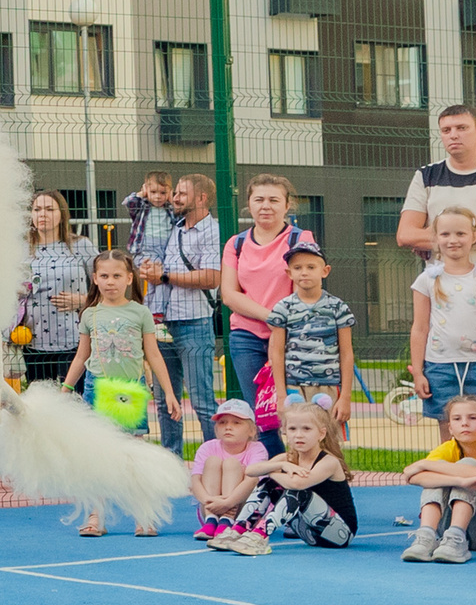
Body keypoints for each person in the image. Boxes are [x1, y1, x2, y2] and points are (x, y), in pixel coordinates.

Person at [63, 250, 180, 536]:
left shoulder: (140, 313)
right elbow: (81, 356)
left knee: (133, 455)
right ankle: (95, 515)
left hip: (130, 391)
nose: (110, 281)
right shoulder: (90, 314)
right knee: (98, 454)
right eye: (104, 276)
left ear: (129, 278)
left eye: (117, 276)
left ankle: (144, 514)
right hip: (98, 388)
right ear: (95, 279)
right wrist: (66, 388)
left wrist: (169, 392)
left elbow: (153, 355)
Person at [218, 175, 312, 456]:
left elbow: (304, 288)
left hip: (291, 338)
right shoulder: (236, 244)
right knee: (264, 416)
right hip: (246, 336)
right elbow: (230, 294)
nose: (266, 206)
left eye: (274, 200)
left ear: (287, 205)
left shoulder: (299, 238)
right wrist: (270, 315)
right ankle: (277, 480)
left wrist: (281, 324)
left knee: (297, 413)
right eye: (259, 199)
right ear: (249, 204)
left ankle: (304, 475)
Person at [397, 102, 476, 284]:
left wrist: (434, 240)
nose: (454, 135)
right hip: (442, 292)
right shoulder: (426, 175)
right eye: (446, 130)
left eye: (462, 128)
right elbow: (405, 235)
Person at [409, 209, 476, 429]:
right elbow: (419, 328)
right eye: (445, 234)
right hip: (439, 366)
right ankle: (453, 466)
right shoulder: (426, 280)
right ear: (435, 238)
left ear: (474, 236)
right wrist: (418, 372)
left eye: (460, 234)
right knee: (449, 429)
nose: (453, 240)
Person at [144, 175, 221, 457]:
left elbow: (211, 277)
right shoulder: (172, 228)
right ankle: (171, 462)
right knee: (166, 400)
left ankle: (215, 460)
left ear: (201, 199)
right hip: (162, 322)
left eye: (180, 193)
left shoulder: (213, 231)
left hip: (194, 323)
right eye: (174, 192)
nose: (174, 198)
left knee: (202, 400)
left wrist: (163, 276)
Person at [218, 401, 354, 555]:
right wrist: (281, 465)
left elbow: (297, 484)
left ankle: (259, 536)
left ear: (321, 434)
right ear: (284, 432)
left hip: (339, 534)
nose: (299, 435)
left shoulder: (329, 462)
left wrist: (275, 470)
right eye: (292, 429)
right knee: (268, 484)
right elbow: (251, 470)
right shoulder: (287, 458)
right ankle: (237, 530)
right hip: (308, 533)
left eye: (307, 429)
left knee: (297, 491)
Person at [263, 239, 354, 434]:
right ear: (289, 273)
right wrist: (281, 395)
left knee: (328, 440)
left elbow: (347, 354)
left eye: (311, 267)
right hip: (294, 387)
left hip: (328, 387)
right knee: (298, 440)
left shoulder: (338, 307)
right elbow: (277, 353)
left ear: (325, 271)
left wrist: (345, 396)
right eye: (298, 267)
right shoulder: (283, 308)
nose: (304, 272)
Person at [401, 395, 476, 564]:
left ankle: (457, 535)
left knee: (467, 466)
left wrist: (425, 464)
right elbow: (414, 477)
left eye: (473, 418)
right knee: (440, 478)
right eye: (457, 419)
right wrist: (460, 481)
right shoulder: (447, 448)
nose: (464, 423)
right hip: (445, 531)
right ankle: (426, 536)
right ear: (450, 428)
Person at [18, 189, 97, 388]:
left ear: (62, 214)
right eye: (37, 209)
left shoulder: (80, 246)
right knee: (41, 403)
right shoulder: (22, 250)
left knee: (73, 402)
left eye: (49, 209)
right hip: (33, 342)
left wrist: (82, 301)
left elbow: (106, 285)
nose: (42, 214)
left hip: (74, 342)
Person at [188, 401, 266, 545]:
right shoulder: (208, 448)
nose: (228, 427)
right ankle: (211, 521)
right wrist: (209, 503)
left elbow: (252, 481)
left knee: (232, 464)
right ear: (216, 429)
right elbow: (195, 480)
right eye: (222, 423)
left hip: (244, 511)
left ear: (252, 431)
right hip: (210, 509)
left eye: (237, 423)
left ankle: (227, 520)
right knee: (212, 462)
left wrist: (228, 503)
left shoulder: (257, 449)